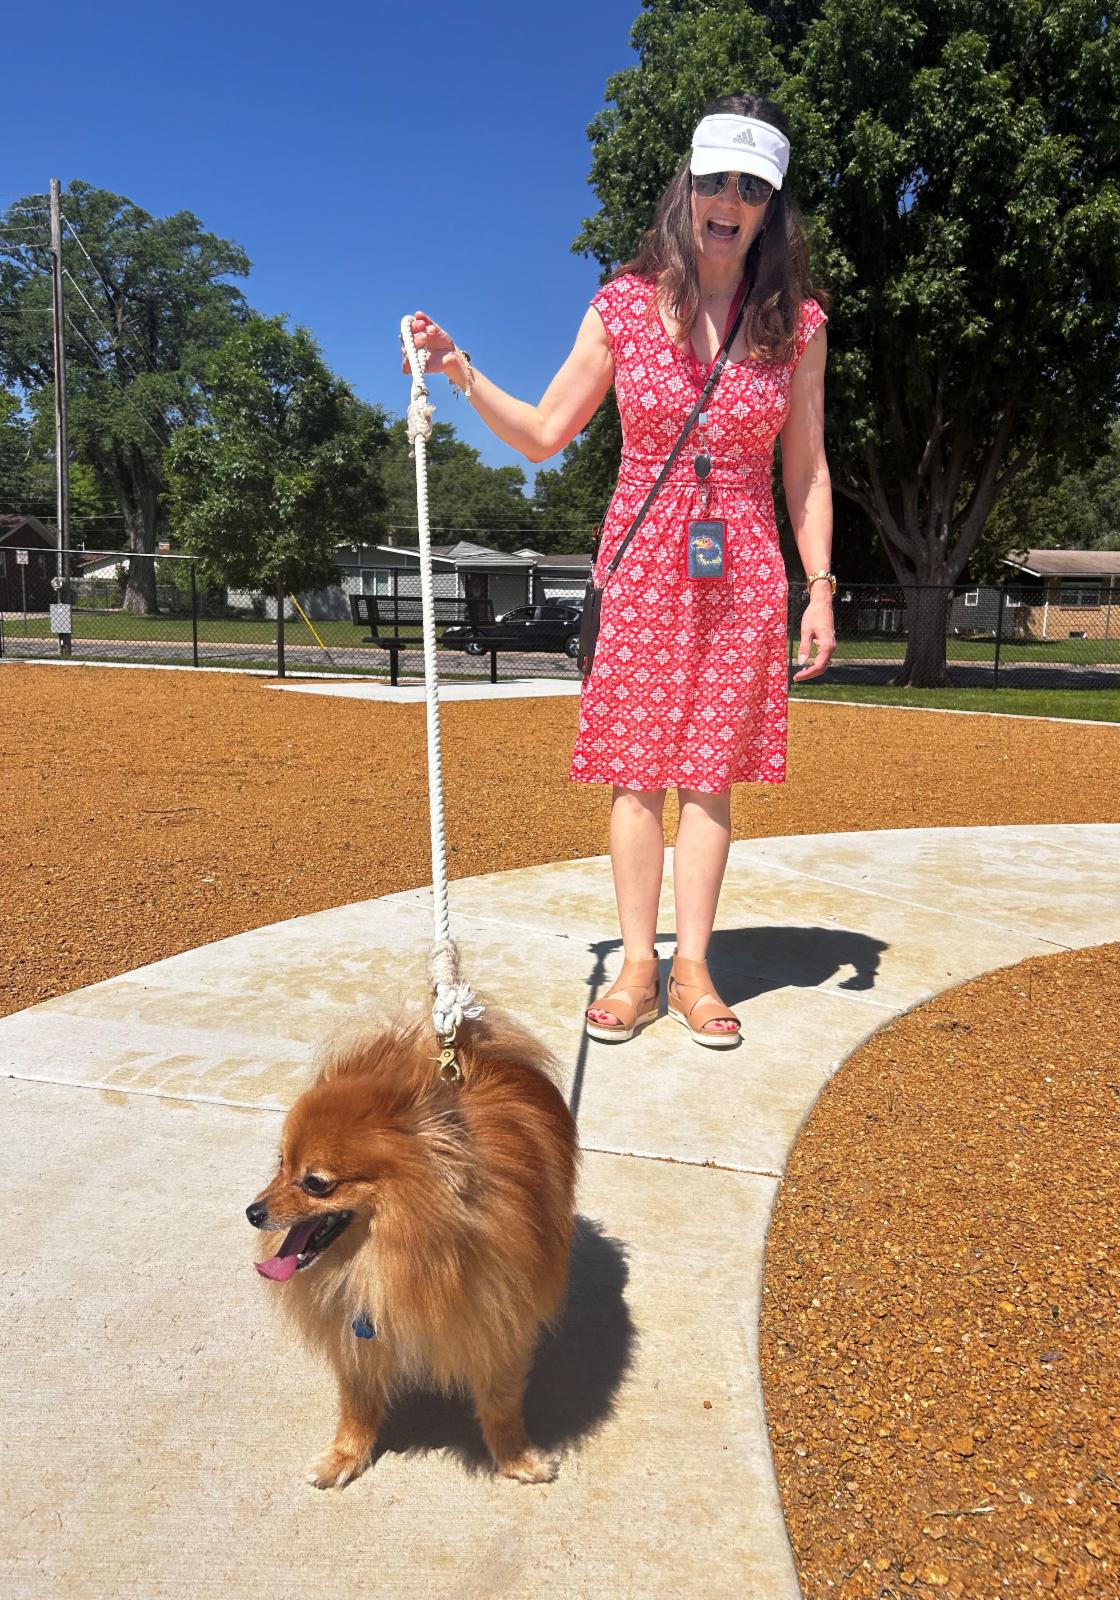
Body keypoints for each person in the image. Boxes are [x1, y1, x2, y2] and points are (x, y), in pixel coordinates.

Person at [406, 91, 835, 1049]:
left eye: (752, 187)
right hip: (642, 566)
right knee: (638, 774)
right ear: (688, 187)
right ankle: (640, 967)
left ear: (771, 207)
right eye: (717, 180)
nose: (730, 201)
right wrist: (460, 370)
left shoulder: (796, 326)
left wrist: (820, 586)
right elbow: (544, 433)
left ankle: (695, 969)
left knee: (710, 777)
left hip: (745, 568)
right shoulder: (624, 307)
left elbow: (806, 469)